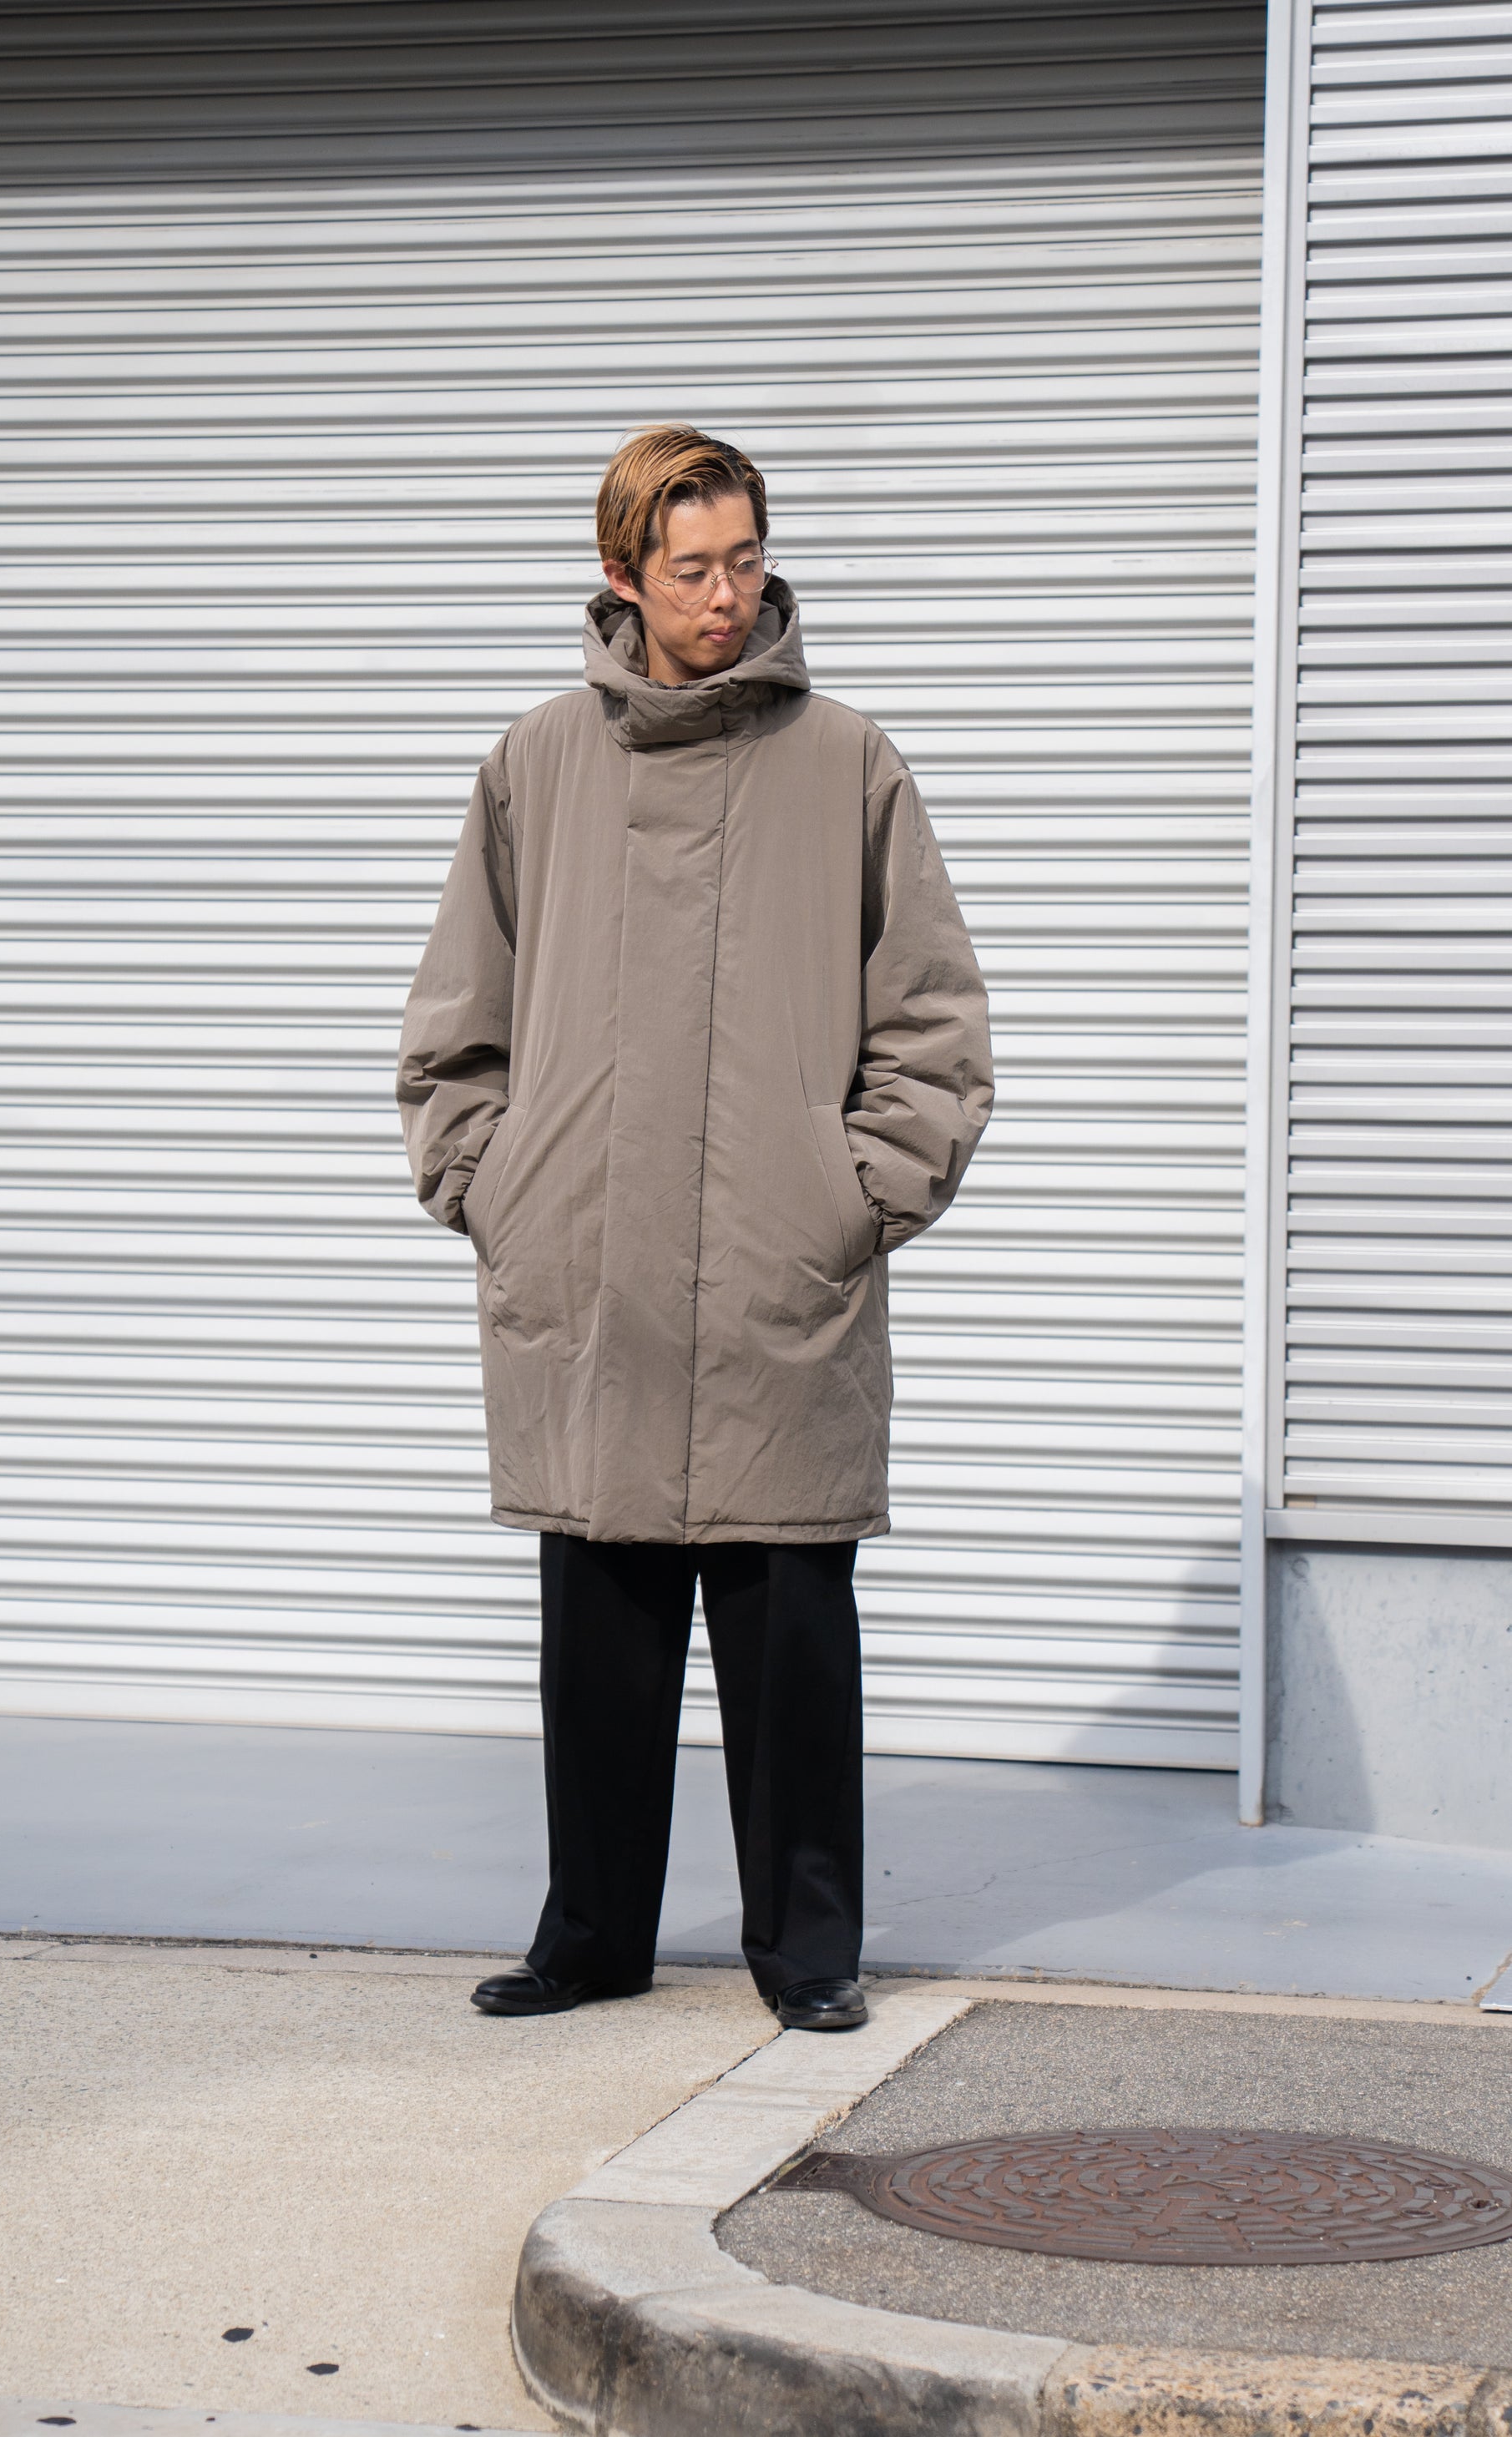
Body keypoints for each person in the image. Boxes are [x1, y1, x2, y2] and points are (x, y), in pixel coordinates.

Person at [397, 426, 993, 2030]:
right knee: (597, 1636)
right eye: (690, 569)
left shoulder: (845, 763)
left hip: (774, 1272)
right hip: (588, 1271)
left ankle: (809, 1952)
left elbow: (932, 1023)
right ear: (621, 575)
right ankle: (590, 1938)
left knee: (791, 1636)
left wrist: (848, 1197)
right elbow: (456, 1020)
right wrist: (491, 1185)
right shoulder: (535, 763)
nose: (725, 597)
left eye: (744, 562)